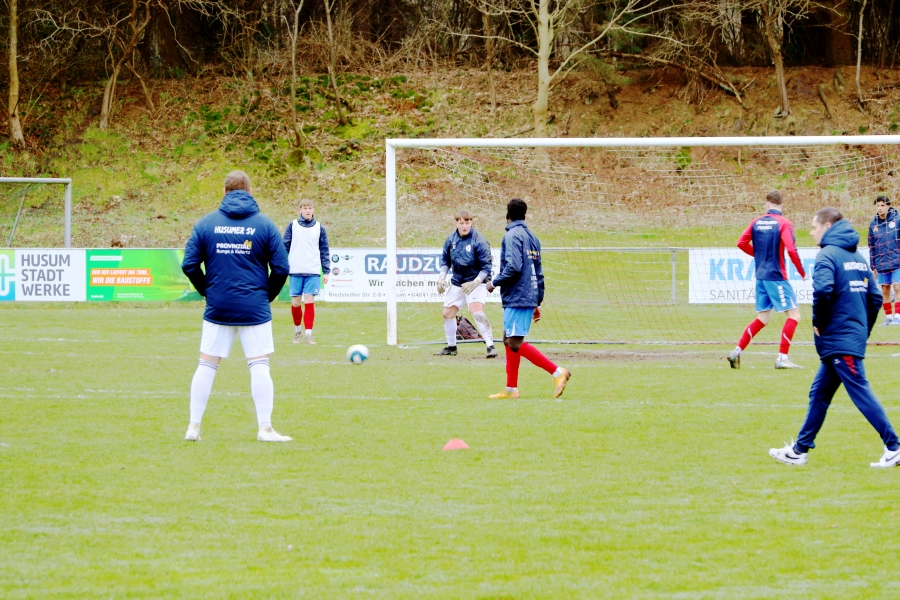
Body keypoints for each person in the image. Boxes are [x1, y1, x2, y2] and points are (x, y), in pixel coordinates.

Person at [770, 207, 900, 467]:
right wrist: (862, 329)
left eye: (814, 227)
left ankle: (894, 447)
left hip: (839, 339)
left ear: (827, 226)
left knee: (859, 390)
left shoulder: (827, 254)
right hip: (845, 339)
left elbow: (823, 290)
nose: (811, 232)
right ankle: (799, 450)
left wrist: (819, 323)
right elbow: (875, 298)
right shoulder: (858, 257)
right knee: (819, 394)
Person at [181, 170, 292, 442]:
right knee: (259, 365)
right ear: (250, 191)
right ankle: (265, 429)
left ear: (224, 192)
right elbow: (281, 268)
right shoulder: (265, 225)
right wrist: (266, 296)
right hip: (254, 307)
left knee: (206, 364)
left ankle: (193, 427)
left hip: (218, 306)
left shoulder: (206, 224)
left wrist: (207, 291)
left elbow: (189, 264)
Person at [486, 198, 570, 399]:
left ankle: (558, 372)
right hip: (526, 295)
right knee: (508, 339)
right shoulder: (533, 237)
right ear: (525, 215)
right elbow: (537, 272)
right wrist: (536, 301)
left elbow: (514, 267)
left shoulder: (511, 235)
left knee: (514, 342)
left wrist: (494, 282)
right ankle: (511, 389)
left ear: (507, 215)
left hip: (517, 295)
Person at [728, 190, 807, 370]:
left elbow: (741, 243)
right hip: (776, 276)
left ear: (767, 204)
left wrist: (758, 256)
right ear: (782, 204)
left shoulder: (756, 222)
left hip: (761, 277)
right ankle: (782, 358)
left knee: (763, 318)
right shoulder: (784, 223)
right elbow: (791, 249)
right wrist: (801, 272)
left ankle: (737, 351)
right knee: (794, 316)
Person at [434, 209, 498, 358]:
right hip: (458, 281)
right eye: (461, 223)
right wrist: (442, 277)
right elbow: (445, 261)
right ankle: (452, 347)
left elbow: (486, 267)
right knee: (447, 314)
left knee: (477, 311)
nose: (464, 226)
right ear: (456, 222)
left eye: (467, 222)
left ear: (471, 222)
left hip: (477, 281)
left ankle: (491, 347)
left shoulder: (480, 240)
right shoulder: (451, 239)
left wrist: (476, 282)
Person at [283, 199, 330, 344]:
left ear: (313, 210)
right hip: (296, 270)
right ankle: (298, 332)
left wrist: (326, 271)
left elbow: (324, 250)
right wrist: (282, 265)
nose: (307, 210)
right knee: (296, 303)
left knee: (309, 300)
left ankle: (308, 334)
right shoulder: (293, 225)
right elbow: (284, 247)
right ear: (300, 210)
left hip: (312, 270)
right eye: (305, 208)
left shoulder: (319, 228)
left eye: (310, 208)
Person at [867, 194, 900, 326]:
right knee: (885, 290)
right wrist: (873, 265)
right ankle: (889, 318)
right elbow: (871, 246)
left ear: (888, 206)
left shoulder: (897, 220)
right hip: (881, 263)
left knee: (897, 287)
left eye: (882, 205)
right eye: (878, 206)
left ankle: (898, 317)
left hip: (897, 261)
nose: (880, 208)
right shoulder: (873, 224)